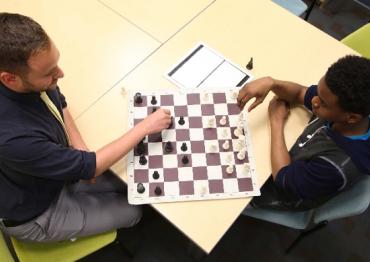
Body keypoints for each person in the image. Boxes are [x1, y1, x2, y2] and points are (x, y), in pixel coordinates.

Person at [0, 12, 171, 242]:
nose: (60, 74)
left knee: (134, 180)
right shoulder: (15, 139)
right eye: (49, 73)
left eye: (56, 64)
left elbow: (57, 101)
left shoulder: (28, 79)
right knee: (133, 211)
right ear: (10, 79)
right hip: (36, 212)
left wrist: (79, 146)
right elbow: (92, 167)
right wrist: (145, 127)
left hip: (52, 174)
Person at [237, 55, 370, 210]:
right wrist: (272, 83)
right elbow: (301, 92)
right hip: (297, 152)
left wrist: (276, 121)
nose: (314, 101)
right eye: (318, 93)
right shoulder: (343, 106)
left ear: (352, 118)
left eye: (323, 103)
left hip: (278, 192)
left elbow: (283, 178)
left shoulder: (336, 166)